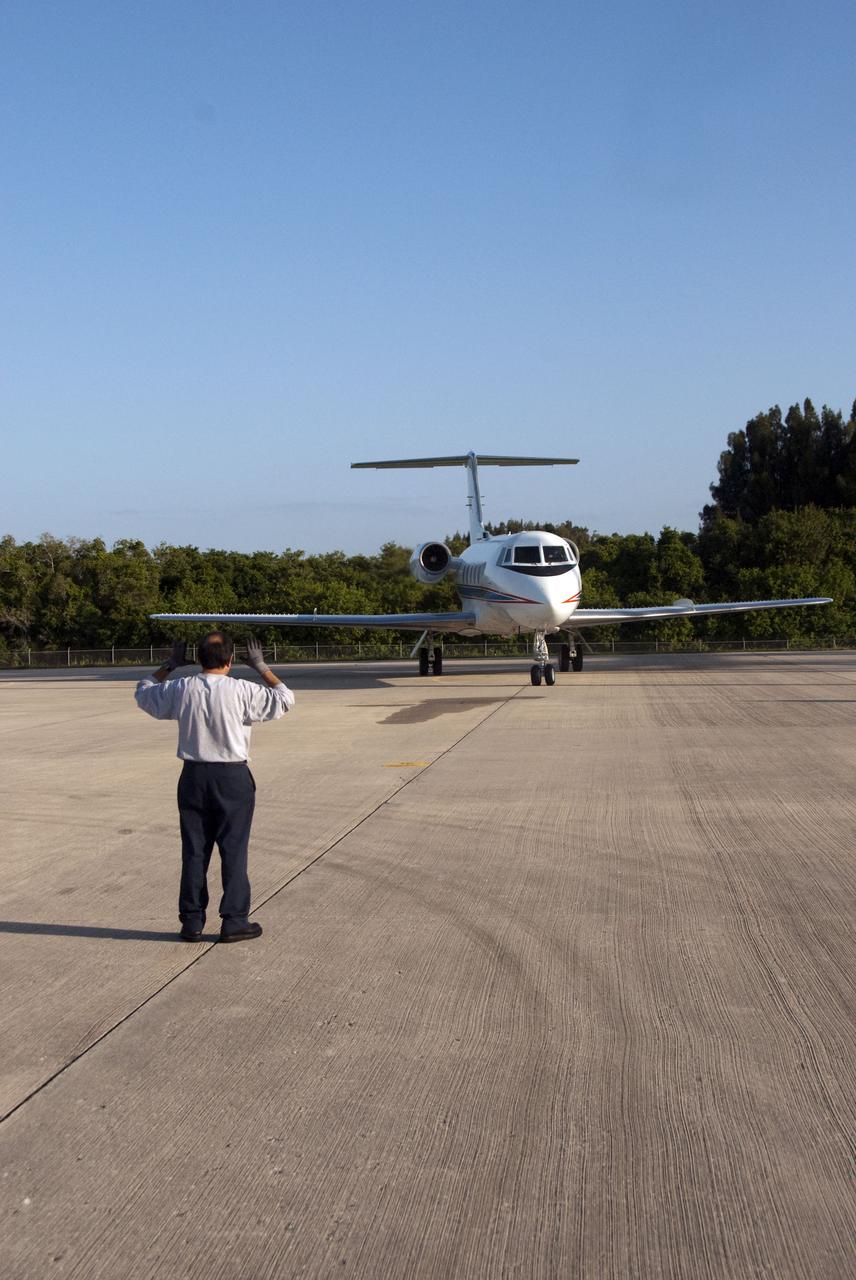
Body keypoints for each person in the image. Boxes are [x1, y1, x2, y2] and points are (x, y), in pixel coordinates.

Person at [135, 632, 294, 943]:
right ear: (231, 660)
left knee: (195, 850)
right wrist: (261, 667)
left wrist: (170, 665)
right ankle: (234, 920)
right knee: (233, 849)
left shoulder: (181, 688)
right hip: (232, 778)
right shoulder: (242, 690)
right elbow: (285, 699)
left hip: (194, 777)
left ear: (197, 658)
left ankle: (192, 921)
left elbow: (143, 692)